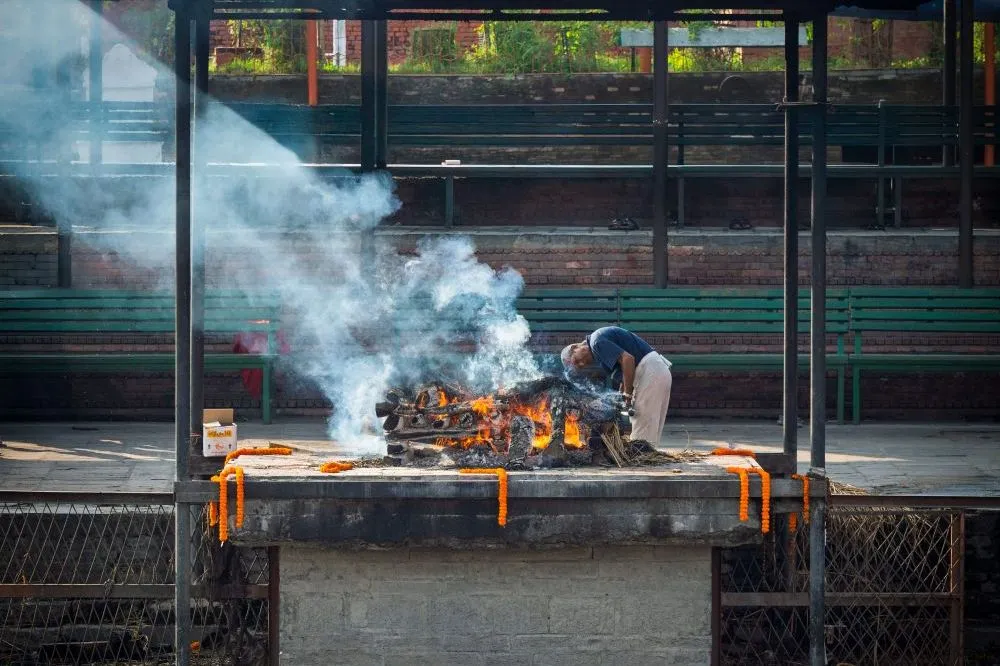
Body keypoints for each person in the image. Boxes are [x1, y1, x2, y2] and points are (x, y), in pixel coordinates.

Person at [561, 326, 672, 448]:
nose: (582, 364)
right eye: (579, 366)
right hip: (656, 371)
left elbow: (628, 359)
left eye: (576, 361)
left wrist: (628, 394)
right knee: (650, 427)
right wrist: (622, 390)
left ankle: (640, 461)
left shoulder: (597, 342)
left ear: (574, 348)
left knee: (642, 424)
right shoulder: (598, 348)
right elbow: (625, 369)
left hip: (651, 372)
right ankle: (647, 457)